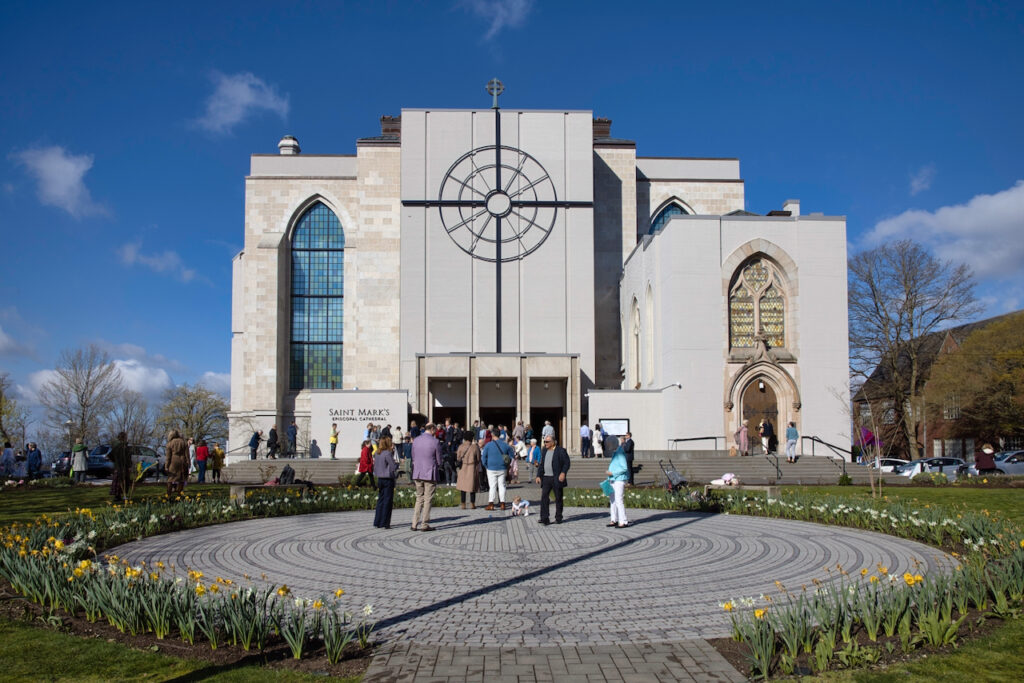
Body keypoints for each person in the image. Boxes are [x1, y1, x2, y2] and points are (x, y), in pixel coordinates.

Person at [410, 423, 442, 531]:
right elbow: (439, 459)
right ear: (432, 429)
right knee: (428, 499)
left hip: (418, 472)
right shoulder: (435, 441)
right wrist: (438, 465)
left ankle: (414, 523)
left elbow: (413, 456)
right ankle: (425, 524)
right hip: (429, 473)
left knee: (419, 498)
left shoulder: (416, 440)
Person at [536, 433, 570, 525]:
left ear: (553, 442)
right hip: (546, 478)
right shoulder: (544, 451)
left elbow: (567, 463)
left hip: (556, 478)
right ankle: (544, 517)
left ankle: (558, 517)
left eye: (547, 442)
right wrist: (538, 475)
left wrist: (563, 473)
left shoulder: (560, 451)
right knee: (544, 497)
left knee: (558, 498)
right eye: (544, 441)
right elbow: (541, 464)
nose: (545, 443)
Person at [482, 428, 513, 511]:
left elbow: (483, 457)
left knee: (492, 486)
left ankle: (491, 504)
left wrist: (486, 465)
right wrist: (508, 462)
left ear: (492, 435)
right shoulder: (505, 445)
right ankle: (503, 504)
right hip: (502, 467)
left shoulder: (488, 445)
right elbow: (512, 454)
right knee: (502, 485)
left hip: (491, 468)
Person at [373, 435, 398, 529]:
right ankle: (385, 522)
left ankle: (377, 521)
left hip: (380, 478)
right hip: (387, 479)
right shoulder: (387, 453)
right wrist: (396, 464)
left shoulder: (377, 453)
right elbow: (393, 467)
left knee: (380, 500)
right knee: (388, 501)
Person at [456, 431, 481, 509]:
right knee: (472, 486)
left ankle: (463, 504)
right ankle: (472, 504)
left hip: (463, 467)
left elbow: (458, 458)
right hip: (471, 467)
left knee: (463, 487)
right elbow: (478, 458)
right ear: (472, 438)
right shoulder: (475, 447)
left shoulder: (460, 446)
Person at [606, 446, 630, 528]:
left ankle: (623, 521)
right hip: (612, 479)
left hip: (619, 480)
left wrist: (613, 473)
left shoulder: (620, 454)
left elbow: (624, 468)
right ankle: (614, 519)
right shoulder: (615, 453)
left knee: (619, 500)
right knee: (612, 500)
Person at [165, 430, 189, 496]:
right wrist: (188, 463)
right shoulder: (184, 442)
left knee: (171, 478)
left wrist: (166, 466)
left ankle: (168, 494)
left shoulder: (170, 443)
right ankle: (179, 494)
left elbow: (168, 457)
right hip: (182, 461)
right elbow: (187, 454)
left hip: (173, 462)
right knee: (181, 479)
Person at [109, 432, 132, 501]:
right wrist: (129, 466)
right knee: (123, 481)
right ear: (124, 438)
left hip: (117, 467)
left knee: (117, 481)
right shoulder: (125, 447)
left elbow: (109, 455)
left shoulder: (116, 447)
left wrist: (115, 461)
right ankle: (122, 495)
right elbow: (127, 458)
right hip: (123, 467)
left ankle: (117, 495)